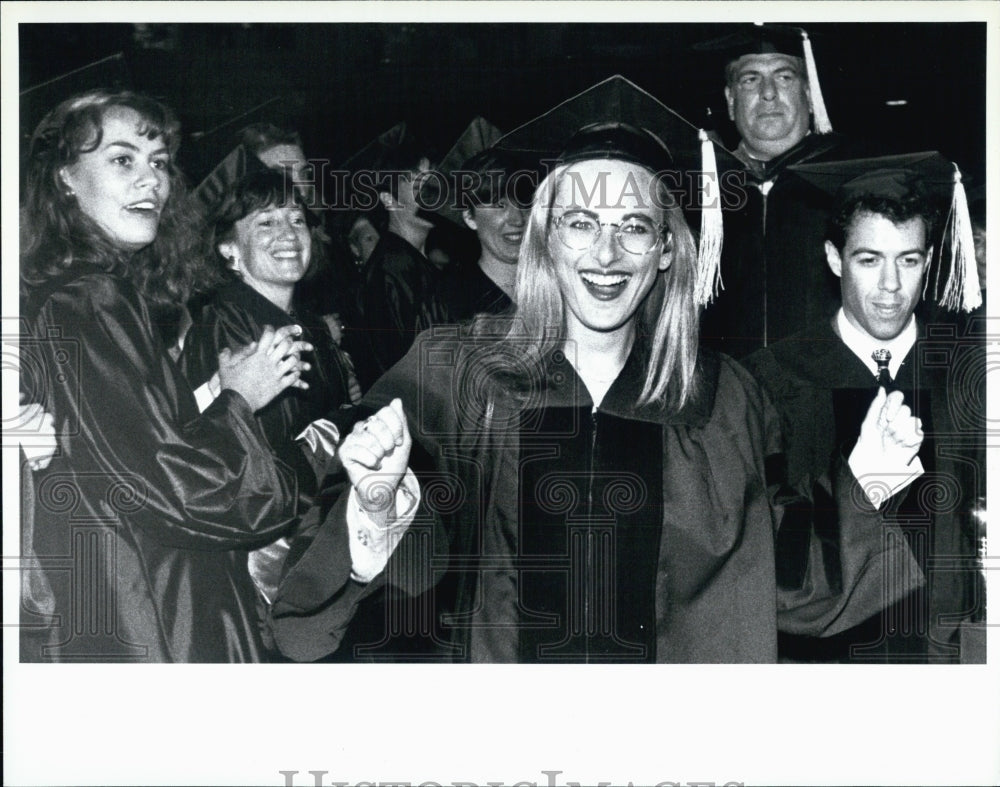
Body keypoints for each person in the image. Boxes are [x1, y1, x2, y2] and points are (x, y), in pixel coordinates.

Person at [274, 76, 887, 663]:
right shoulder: (453, 373)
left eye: (635, 227)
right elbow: (342, 587)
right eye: (582, 223)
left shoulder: (721, 398)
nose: (605, 253)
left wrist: (869, 487)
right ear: (544, 237)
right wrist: (374, 519)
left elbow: (785, 579)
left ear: (668, 250)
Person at [18, 89, 317, 662]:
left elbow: (127, 459)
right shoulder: (91, 298)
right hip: (151, 609)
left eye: (157, 163)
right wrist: (238, 399)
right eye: (122, 159)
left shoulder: (79, 293)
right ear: (64, 178)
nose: (150, 180)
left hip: (113, 594)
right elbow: (168, 487)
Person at [745, 152, 984, 662]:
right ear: (834, 258)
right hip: (822, 666)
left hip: (947, 660)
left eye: (909, 259)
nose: (892, 287)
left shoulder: (969, 371)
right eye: (869, 260)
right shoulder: (771, 379)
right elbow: (763, 552)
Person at [179, 169, 360, 617]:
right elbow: (237, 457)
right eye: (265, 222)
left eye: (297, 219)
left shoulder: (310, 323)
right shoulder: (227, 325)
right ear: (228, 249)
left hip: (320, 539)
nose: (289, 234)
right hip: (263, 564)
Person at [694, 24, 883, 357]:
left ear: (809, 95)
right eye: (750, 79)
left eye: (784, 77)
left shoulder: (859, 180)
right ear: (730, 99)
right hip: (726, 391)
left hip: (830, 386)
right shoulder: (697, 188)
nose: (768, 93)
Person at [348, 123, 448, 390]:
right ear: (389, 200)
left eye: (434, 180)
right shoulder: (391, 271)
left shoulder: (416, 264)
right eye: (419, 183)